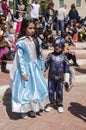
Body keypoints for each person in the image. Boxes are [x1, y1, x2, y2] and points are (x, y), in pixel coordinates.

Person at [10, 19, 48, 119]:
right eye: (30, 28)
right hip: (25, 69)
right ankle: (24, 110)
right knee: (25, 90)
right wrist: (23, 73)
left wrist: (42, 68)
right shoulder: (21, 42)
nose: (32, 30)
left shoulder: (37, 40)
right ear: (24, 28)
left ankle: (33, 108)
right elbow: (20, 59)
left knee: (35, 89)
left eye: (33, 28)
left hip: (35, 69)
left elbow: (40, 56)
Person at [44, 37, 70, 113]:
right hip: (51, 78)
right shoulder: (50, 55)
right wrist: (43, 71)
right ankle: (51, 103)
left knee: (59, 91)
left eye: (58, 46)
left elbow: (66, 68)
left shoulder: (64, 57)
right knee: (50, 91)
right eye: (55, 46)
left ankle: (59, 104)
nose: (56, 48)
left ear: (62, 46)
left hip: (60, 78)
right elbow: (46, 65)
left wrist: (67, 79)